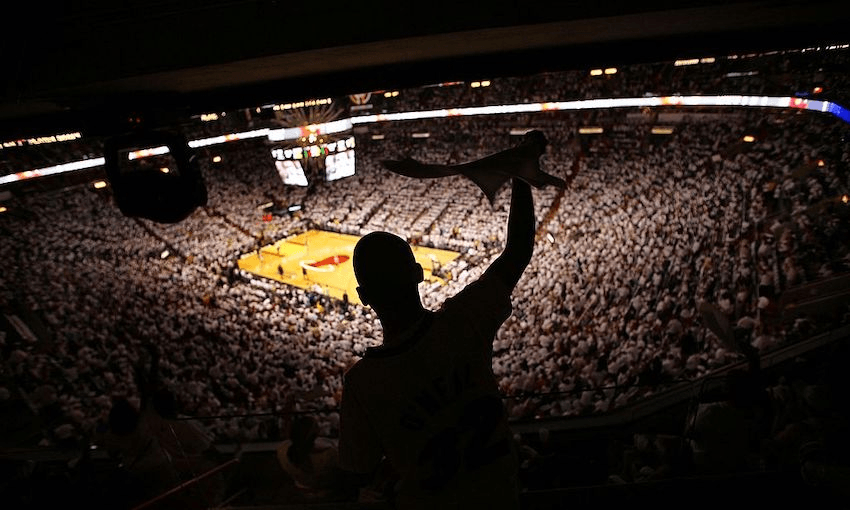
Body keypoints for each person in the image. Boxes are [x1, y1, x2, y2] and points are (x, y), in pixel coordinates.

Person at [338, 131, 547, 509]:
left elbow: (357, 470)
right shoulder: (464, 322)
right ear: (419, 274)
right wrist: (520, 171)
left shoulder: (362, 384)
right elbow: (518, 250)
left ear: (364, 298)